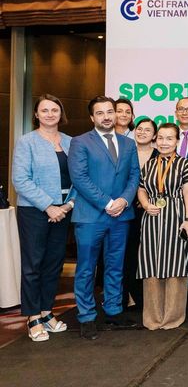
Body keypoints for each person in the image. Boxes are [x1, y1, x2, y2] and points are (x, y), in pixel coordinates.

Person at [68, 96, 140, 340]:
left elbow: (134, 175)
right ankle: (86, 316)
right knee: (87, 268)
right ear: (92, 117)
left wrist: (124, 200)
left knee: (116, 265)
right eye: (100, 113)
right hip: (90, 215)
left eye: (110, 111)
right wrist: (108, 203)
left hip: (121, 215)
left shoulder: (128, 143)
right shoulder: (80, 142)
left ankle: (113, 310)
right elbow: (79, 178)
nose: (106, 116)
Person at [12, 94, 76, 342]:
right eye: (45, 110)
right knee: (33, 265)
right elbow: (20, 180)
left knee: (54, 264)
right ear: (36, 114)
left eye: (54, 110)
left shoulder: (71, 142)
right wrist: (48, 206)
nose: (50, 114)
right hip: (34, 211)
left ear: (61, 114)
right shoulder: (26, 142)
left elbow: (79, 177)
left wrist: (68, 205)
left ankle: (47, 312)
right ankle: (32, 317)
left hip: (64, 210)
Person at [136, 123, 188, 330]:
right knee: (151, 266)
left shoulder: (184, 164)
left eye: (169, 138)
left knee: (176, 266)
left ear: (177, 141)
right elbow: (141, 189)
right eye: (160, 138)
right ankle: (153, 318)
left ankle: (172, 318)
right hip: (152, 219)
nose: (164, 142)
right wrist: (145, 204)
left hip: (176, 217)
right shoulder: (149, 165)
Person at [123, 118, 158, 312]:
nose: (142, 132)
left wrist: (145, 200)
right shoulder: (126, 152)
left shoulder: (160, 155)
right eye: (139, 129)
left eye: (148, 130)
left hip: (153, 211)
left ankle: (149, 298)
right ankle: (129, 295)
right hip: (128, 211)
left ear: (154, 135)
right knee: (129, 254)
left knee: (149, 254)